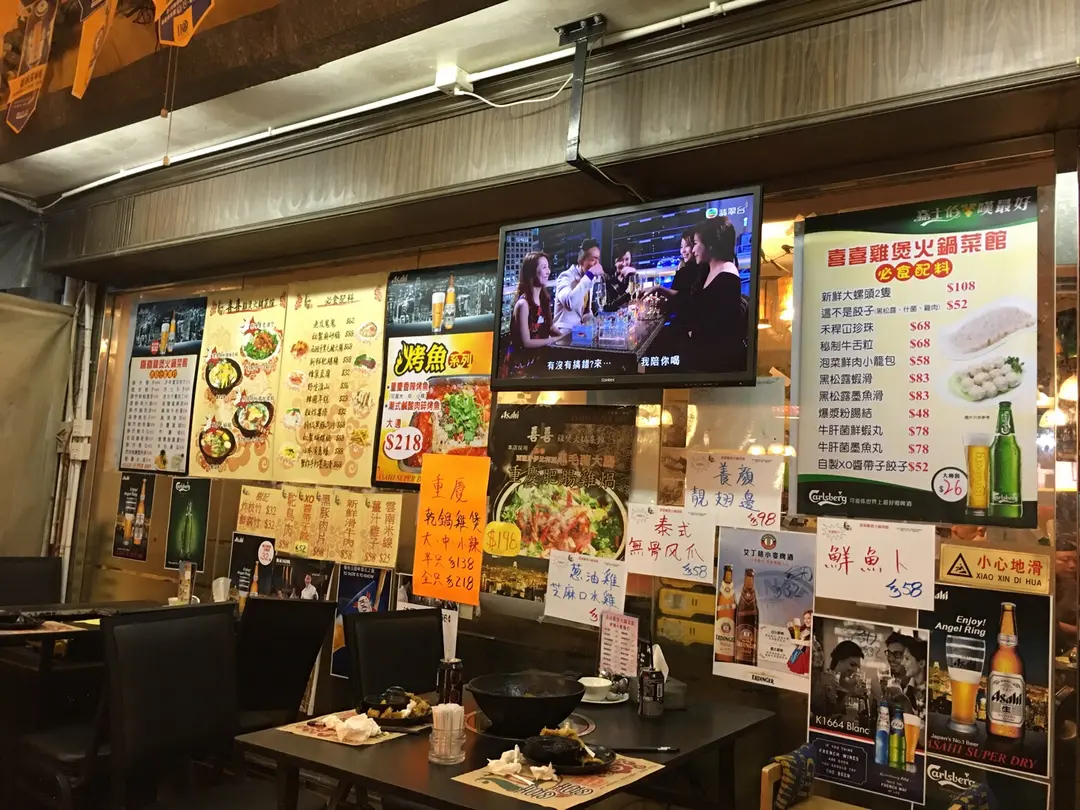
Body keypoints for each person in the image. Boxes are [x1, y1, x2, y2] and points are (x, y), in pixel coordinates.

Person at [682, 216, 748, 372]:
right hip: (703, 358)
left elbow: (718, 330)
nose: (692, 250)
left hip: (714, 366)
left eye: (695, 243)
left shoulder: (727, 276)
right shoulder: (708, 270)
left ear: (710, 245)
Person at [503, 252, 563, 376]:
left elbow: (550, 326)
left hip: (537, 361)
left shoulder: (544, 300)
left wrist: (564, 335)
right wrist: (551, 340)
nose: (548, 272)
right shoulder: (523, 304)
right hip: (520, 366)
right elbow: (526, 342)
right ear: (532, 272)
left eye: (548, 267)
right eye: (544, 267)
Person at [649, 227, 701, 321]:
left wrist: (659, 289)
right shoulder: (685, 269)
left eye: (687, 246)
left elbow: (681, 298)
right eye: (681, 247)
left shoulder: (692, 271)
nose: (683, 251)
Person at [553, 238, 603, 330]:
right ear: (581, 261)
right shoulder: (566, 276)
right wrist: (590, 274)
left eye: (598, 260)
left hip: (579, 332)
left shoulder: (588, 279)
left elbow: (583, 315)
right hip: (563, 334)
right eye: (593, 260)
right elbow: (569, 303)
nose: (597, 264)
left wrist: (596, 321)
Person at [811, 639, 866, 718]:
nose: (855, 670)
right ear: (839, 659)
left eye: (857, 667)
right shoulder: (825, 681)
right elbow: (819, 716)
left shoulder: (843, 683)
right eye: (852, 664)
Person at [877, 632, 927, 714]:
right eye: (889, 653)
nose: (891, 659)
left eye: (897, 654)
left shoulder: (920, 688)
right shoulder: (886, 683)